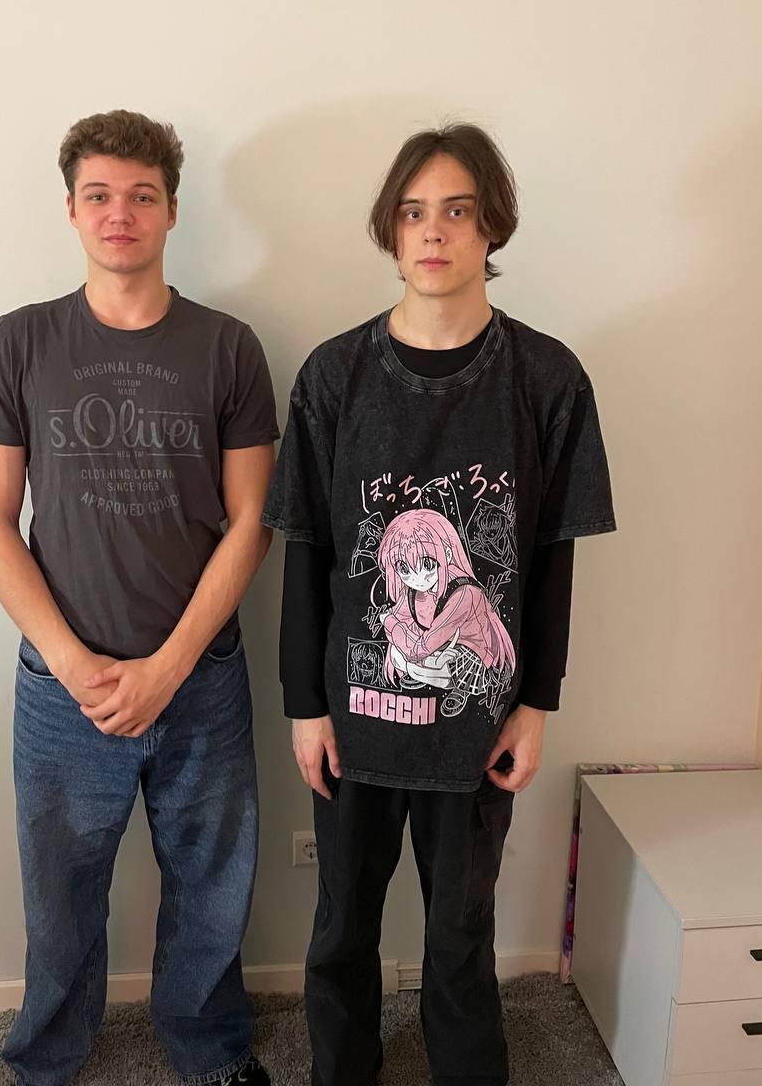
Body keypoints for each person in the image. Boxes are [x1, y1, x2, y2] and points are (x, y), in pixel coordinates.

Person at [262, 123, 615, 1086]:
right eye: (414, 212)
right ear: (390, 229)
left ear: (491, 225)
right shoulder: (333, 377)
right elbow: (306, 550)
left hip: (476, 725)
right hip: (355, 719)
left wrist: (536, 704)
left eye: (457, 210)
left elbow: (552, 559)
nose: (433, 232)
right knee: (342, 924)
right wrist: (304, 706)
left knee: (462, 930)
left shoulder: (547, 379)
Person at [0, 110, 278, 1086]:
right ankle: (48, 1060)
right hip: (63, 684)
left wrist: (168, 667)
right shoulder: (18, 342)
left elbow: (252, 522)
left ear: (173, 210)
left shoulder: (228, 347)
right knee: (58, 898)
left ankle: (209, 1053)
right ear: (71, 210)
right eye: (98, 194)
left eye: (142, 195)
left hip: (200, 675)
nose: (120, 213)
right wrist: (71, 661)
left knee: (214, 887)